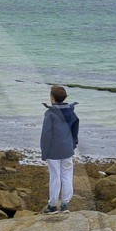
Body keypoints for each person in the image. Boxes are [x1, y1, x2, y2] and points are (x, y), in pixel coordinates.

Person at [39, 85, 79, 213]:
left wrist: (44, 152)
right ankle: (65, 204)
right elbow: (75, 129)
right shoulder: (71, 112)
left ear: (52, 98)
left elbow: (46, 134)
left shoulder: (50, 113)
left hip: (53, 151)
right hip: (67, 149)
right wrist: (73, 144)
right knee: (67, 176)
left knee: (55, 177)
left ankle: (52, 206)